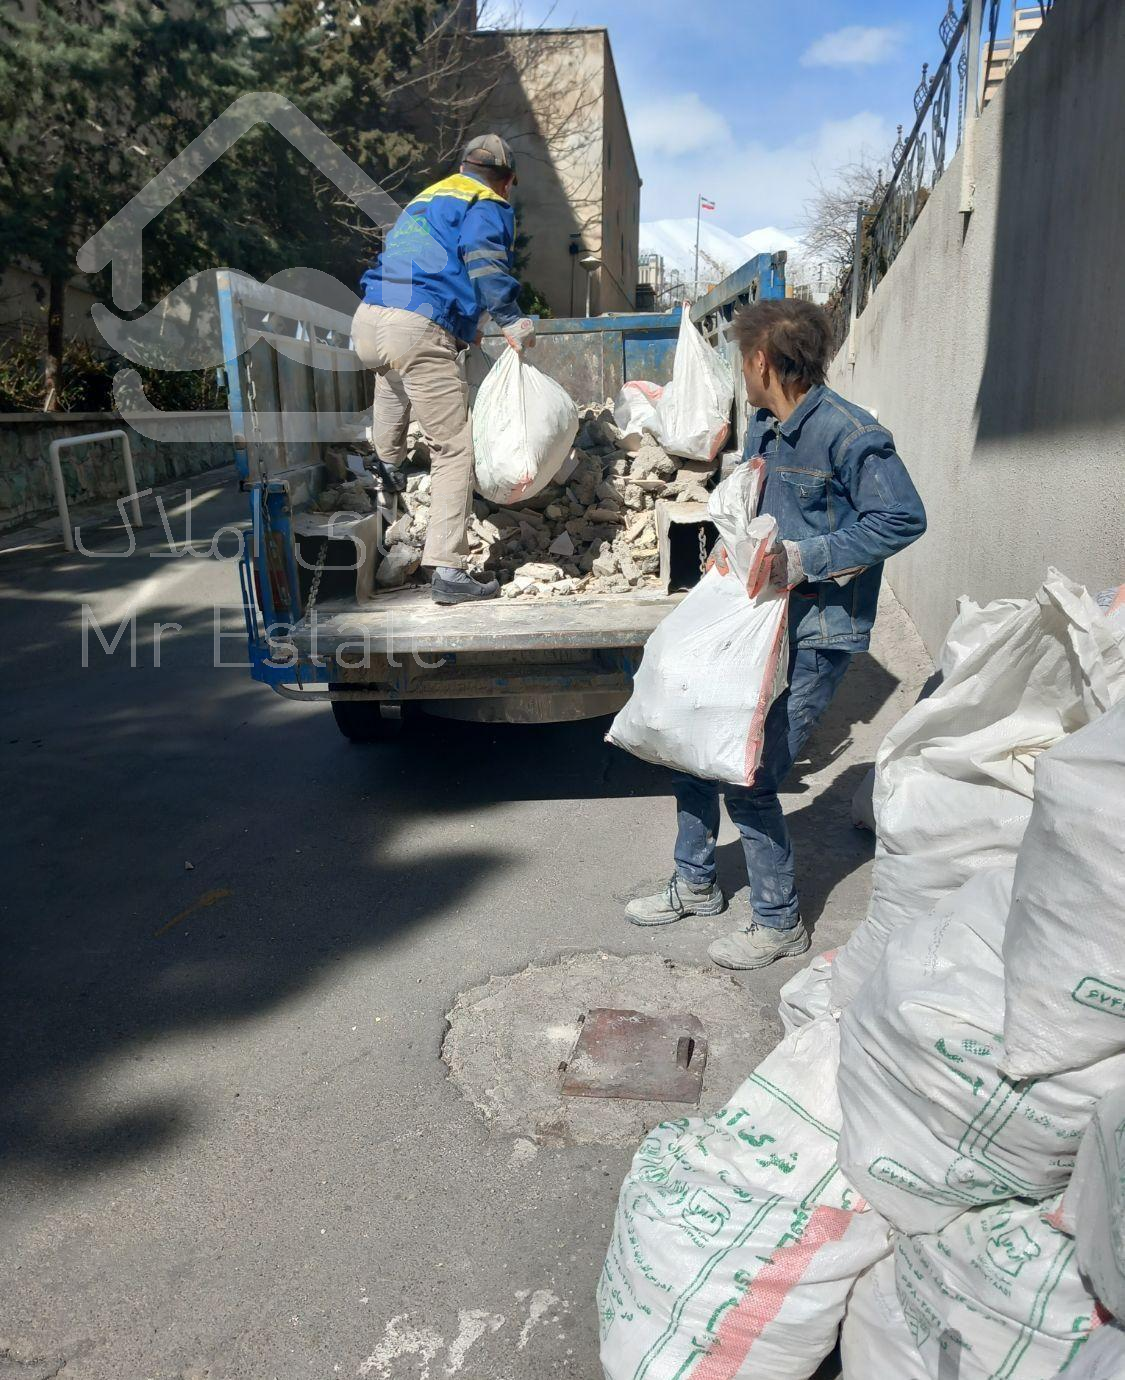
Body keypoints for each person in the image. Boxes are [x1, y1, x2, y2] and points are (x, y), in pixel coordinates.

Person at [625, 299, 927, 969]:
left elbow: (900, 520)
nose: (742, 374)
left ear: (760, 360)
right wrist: (725, 549)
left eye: (741, 361)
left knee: (751, 774)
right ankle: (695, 883)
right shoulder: (765, 427)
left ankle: (777, 920)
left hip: (817, 632)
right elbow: (754, 510)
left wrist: (803, 557)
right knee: (693, 747)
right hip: (752, 622)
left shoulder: (850, 435)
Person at [351, 134, 535, 606]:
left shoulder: (428, 197)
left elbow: (427, 263)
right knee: (453, 448)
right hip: (416, 323)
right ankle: (448, 570)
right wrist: (511, 319)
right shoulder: (487, 200)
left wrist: (462, 322)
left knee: (393, 375)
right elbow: (482, 256)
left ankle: (388, 471)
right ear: (507, 181)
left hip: (370, 320)